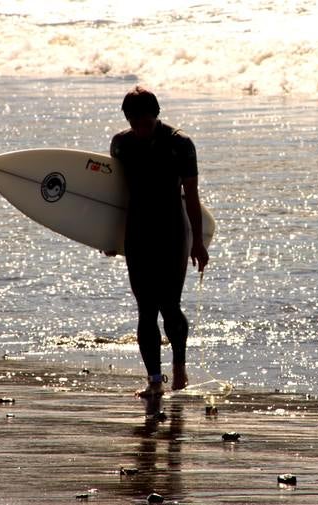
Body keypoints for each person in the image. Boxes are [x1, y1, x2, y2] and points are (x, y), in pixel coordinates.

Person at [108, 86, 209, 399]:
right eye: (133, 121)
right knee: (145, 309)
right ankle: (154, 380)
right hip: (137, 232)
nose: (139, 128)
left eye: (145, 121)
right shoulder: (121, 144)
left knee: (169, 305)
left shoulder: (180, 145)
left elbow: (190, 197)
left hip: (172, 232)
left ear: (156, 115)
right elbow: (113, 195)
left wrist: (198, 242)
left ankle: (179, 368)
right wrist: (108, 237)